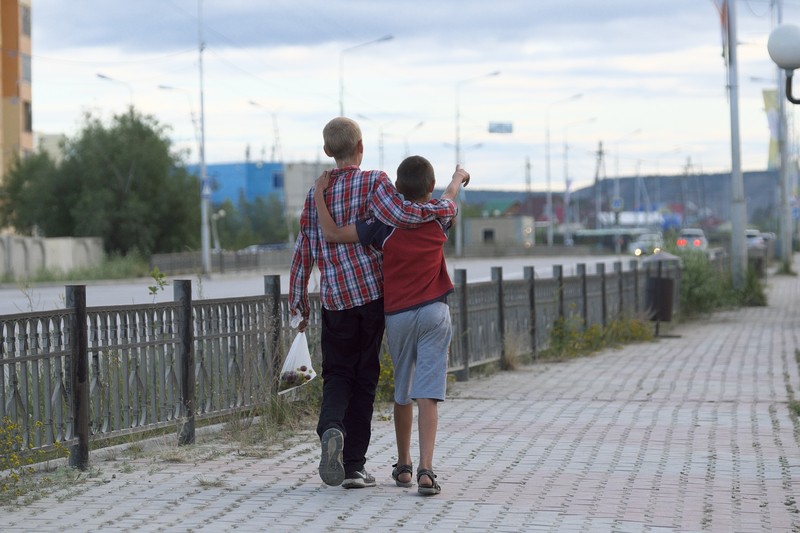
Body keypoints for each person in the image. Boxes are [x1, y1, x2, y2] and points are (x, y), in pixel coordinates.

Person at [289, 117, 458, 490]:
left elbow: (305, 249)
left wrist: (298, 303)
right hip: (371, 295)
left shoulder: (315, 193)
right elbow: (401, 215)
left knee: (337, 373)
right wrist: (445, 207)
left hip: (334, 298)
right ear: (361, 147)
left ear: (327, 151)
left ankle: (331, 427)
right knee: (365, 377)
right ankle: (353, 466)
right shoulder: (375, 181)